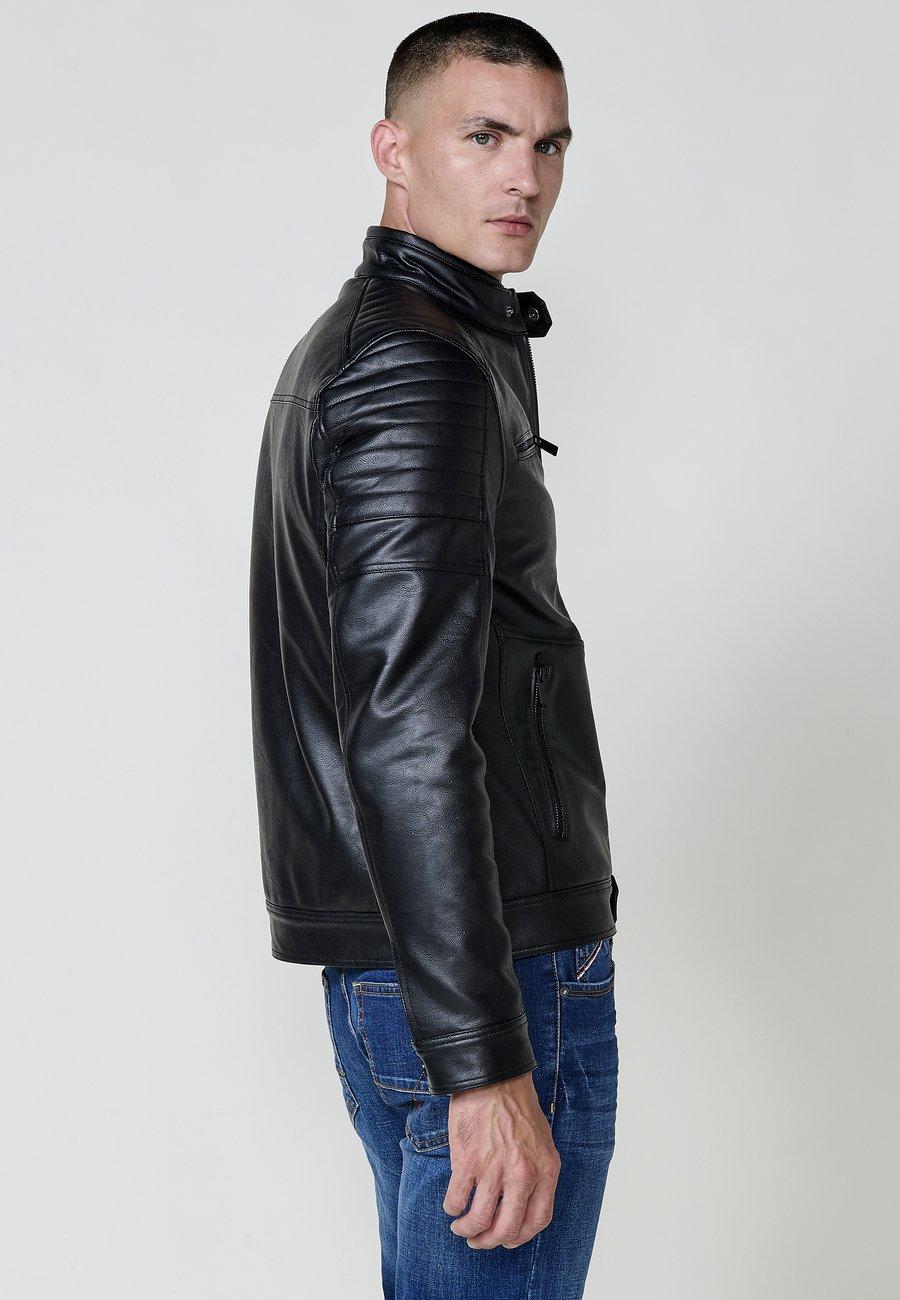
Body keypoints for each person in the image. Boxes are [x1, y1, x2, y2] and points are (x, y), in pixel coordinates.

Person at [249, 13, 619, 1298]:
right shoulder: (422, 366)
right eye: (485, 136)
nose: (525, 177)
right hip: (489, 970)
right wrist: (484, 1060)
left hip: (413, 960)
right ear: (393, 149)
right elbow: (406, 722)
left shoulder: (403, 337)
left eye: (548, 144)